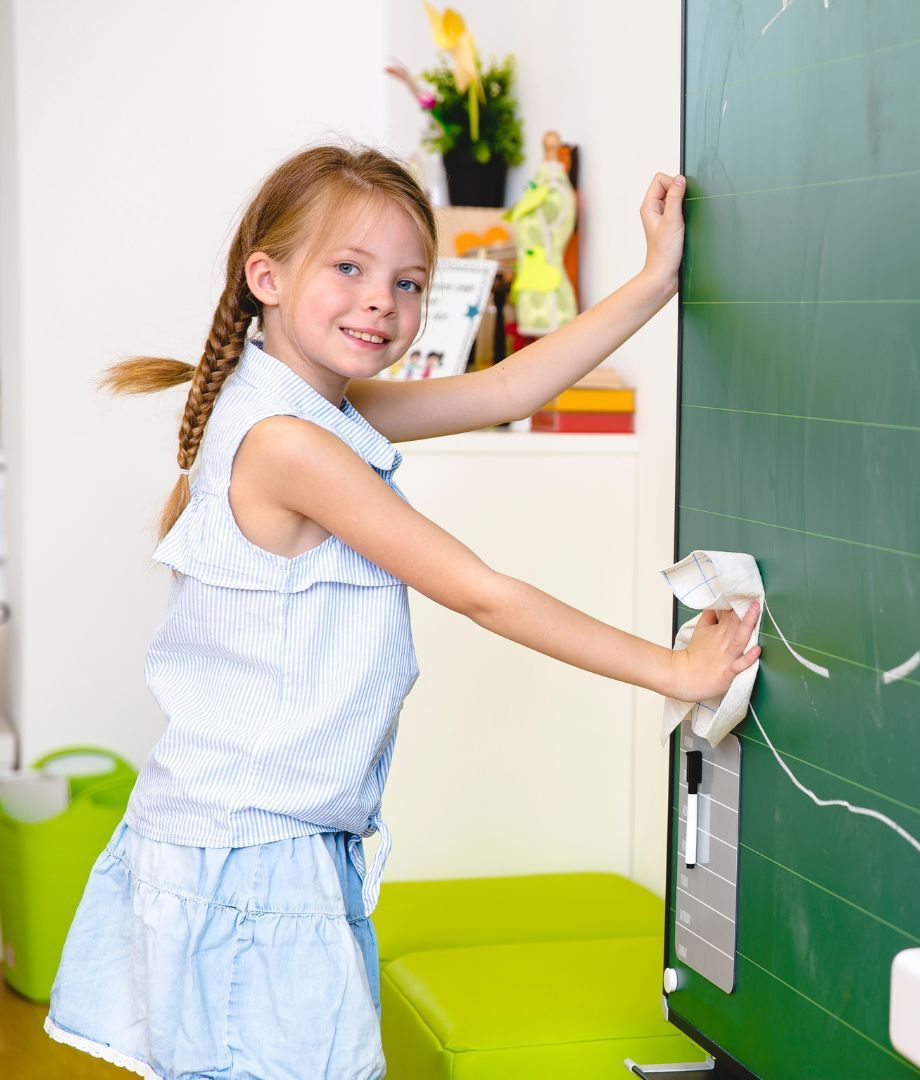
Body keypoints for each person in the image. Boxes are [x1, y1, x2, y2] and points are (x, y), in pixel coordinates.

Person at [43, 143, 761, 1080]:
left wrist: (653, 281)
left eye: (408, 281)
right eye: (349, 268)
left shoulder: (311, 404)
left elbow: (510, 386)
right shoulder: (290, 441)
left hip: (249, 842)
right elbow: (478, 591)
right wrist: (672, 670)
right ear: (266, 275)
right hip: (258, 858)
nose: (383, 301)